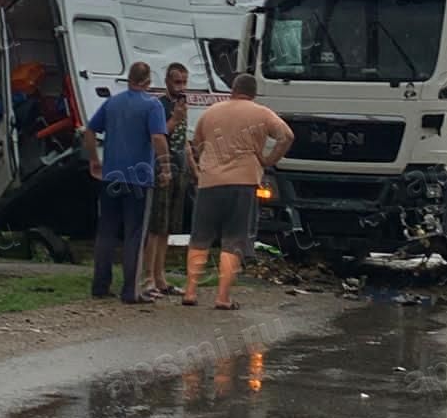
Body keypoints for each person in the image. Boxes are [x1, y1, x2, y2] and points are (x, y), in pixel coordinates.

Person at [183, 73, 294, 310]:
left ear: (232, 90)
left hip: (209, 181)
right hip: (243, 182)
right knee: (233, 240)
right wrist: (268, 159)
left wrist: (207, 161)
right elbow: (287, 136)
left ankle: (190, 291)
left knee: (200, 238)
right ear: (253, 93)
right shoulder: (262, 113)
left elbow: (197, 144)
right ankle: (222, 297)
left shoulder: (211, 112)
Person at [83, 61, 170, 304]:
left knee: (107, 232)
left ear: (129, 78)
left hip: (111, 176)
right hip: (139, 180)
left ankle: (100, 285)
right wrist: (165, 166)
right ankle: (131, 290)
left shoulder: (112, 102)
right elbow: (157, 138)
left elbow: (89, 131)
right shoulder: (153, 105)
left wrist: (94, 159)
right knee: (135, 234)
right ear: (148, 80)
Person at [142, 62, 198, 299]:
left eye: (184, 82)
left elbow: (183, 141)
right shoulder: (160, 106)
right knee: (155, 226)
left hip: (180, 169)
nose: (181, 87)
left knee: (167, 227)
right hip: (161, 169)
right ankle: (147, 278)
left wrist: (195, 170)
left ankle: (160, 276)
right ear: (167, 82)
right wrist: (175, 118)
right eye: (177, 82)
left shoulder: (182, 106)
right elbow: (158, 135)